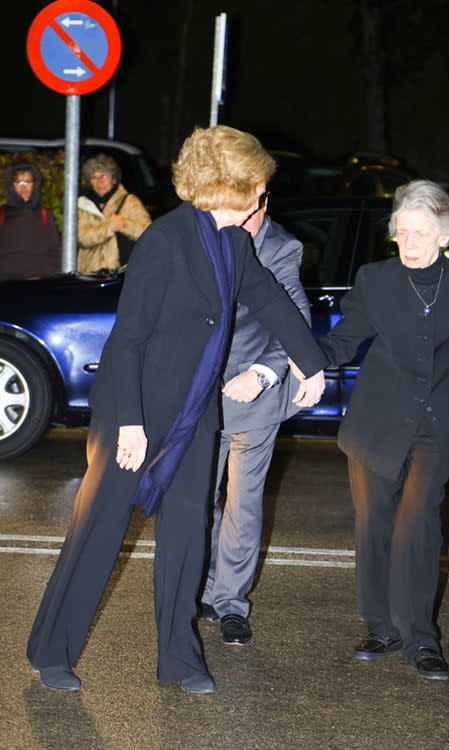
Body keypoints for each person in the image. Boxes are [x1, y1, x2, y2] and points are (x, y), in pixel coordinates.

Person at [27, 125, 328, 695]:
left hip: (197, 412)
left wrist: (309, 365)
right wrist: (132, 424)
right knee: (99, 530)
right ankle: (51, 650)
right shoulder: (166, 241)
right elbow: (128, 342)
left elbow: (272, 301)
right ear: (225, 187)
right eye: (256, 188)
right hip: (136, 411)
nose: (262, 198)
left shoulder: (236, 243)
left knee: (187, 535)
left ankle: (181, 659)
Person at [313, 179, 449, 681]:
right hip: (376, 423)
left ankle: (420, 637)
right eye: (401, 233)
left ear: (444, 234)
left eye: (420, 234)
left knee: (418, 526)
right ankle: (380, 626)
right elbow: (343, 341)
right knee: (373, 524)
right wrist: (301, 362)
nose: (409, 245)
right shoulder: (375, 280)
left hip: (436, 424)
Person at [200, 192, 310, 644]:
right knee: (197, 498)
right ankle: (200, 588)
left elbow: (295, 318)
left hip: (253, 396)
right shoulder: (207, 235)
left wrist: (262, 373)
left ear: (264, 203)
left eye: (249, 210)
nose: (239, 219)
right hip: (202, 396)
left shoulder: (281, 248)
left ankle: (230, 603)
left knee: (241, 504)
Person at [77, 153, 152, 274]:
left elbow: (148, 232)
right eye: (94, 177)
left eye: (103, 176)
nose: (99, 182)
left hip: (123, 274)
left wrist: (125, 225)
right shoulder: (82, 204)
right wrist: (108, 229)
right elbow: (82, 238)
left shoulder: (129, 201)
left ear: (113, 178)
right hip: (89, 274)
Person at [0, 162, 61, 279]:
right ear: (12, 186)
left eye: (28, 182)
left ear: (34, 185)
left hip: (37, 285)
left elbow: (55, 252)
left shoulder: (44, 215)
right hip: (6, 284)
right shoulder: (1, 214)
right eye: (19, 182)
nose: (24, 187)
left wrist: (46, 276)